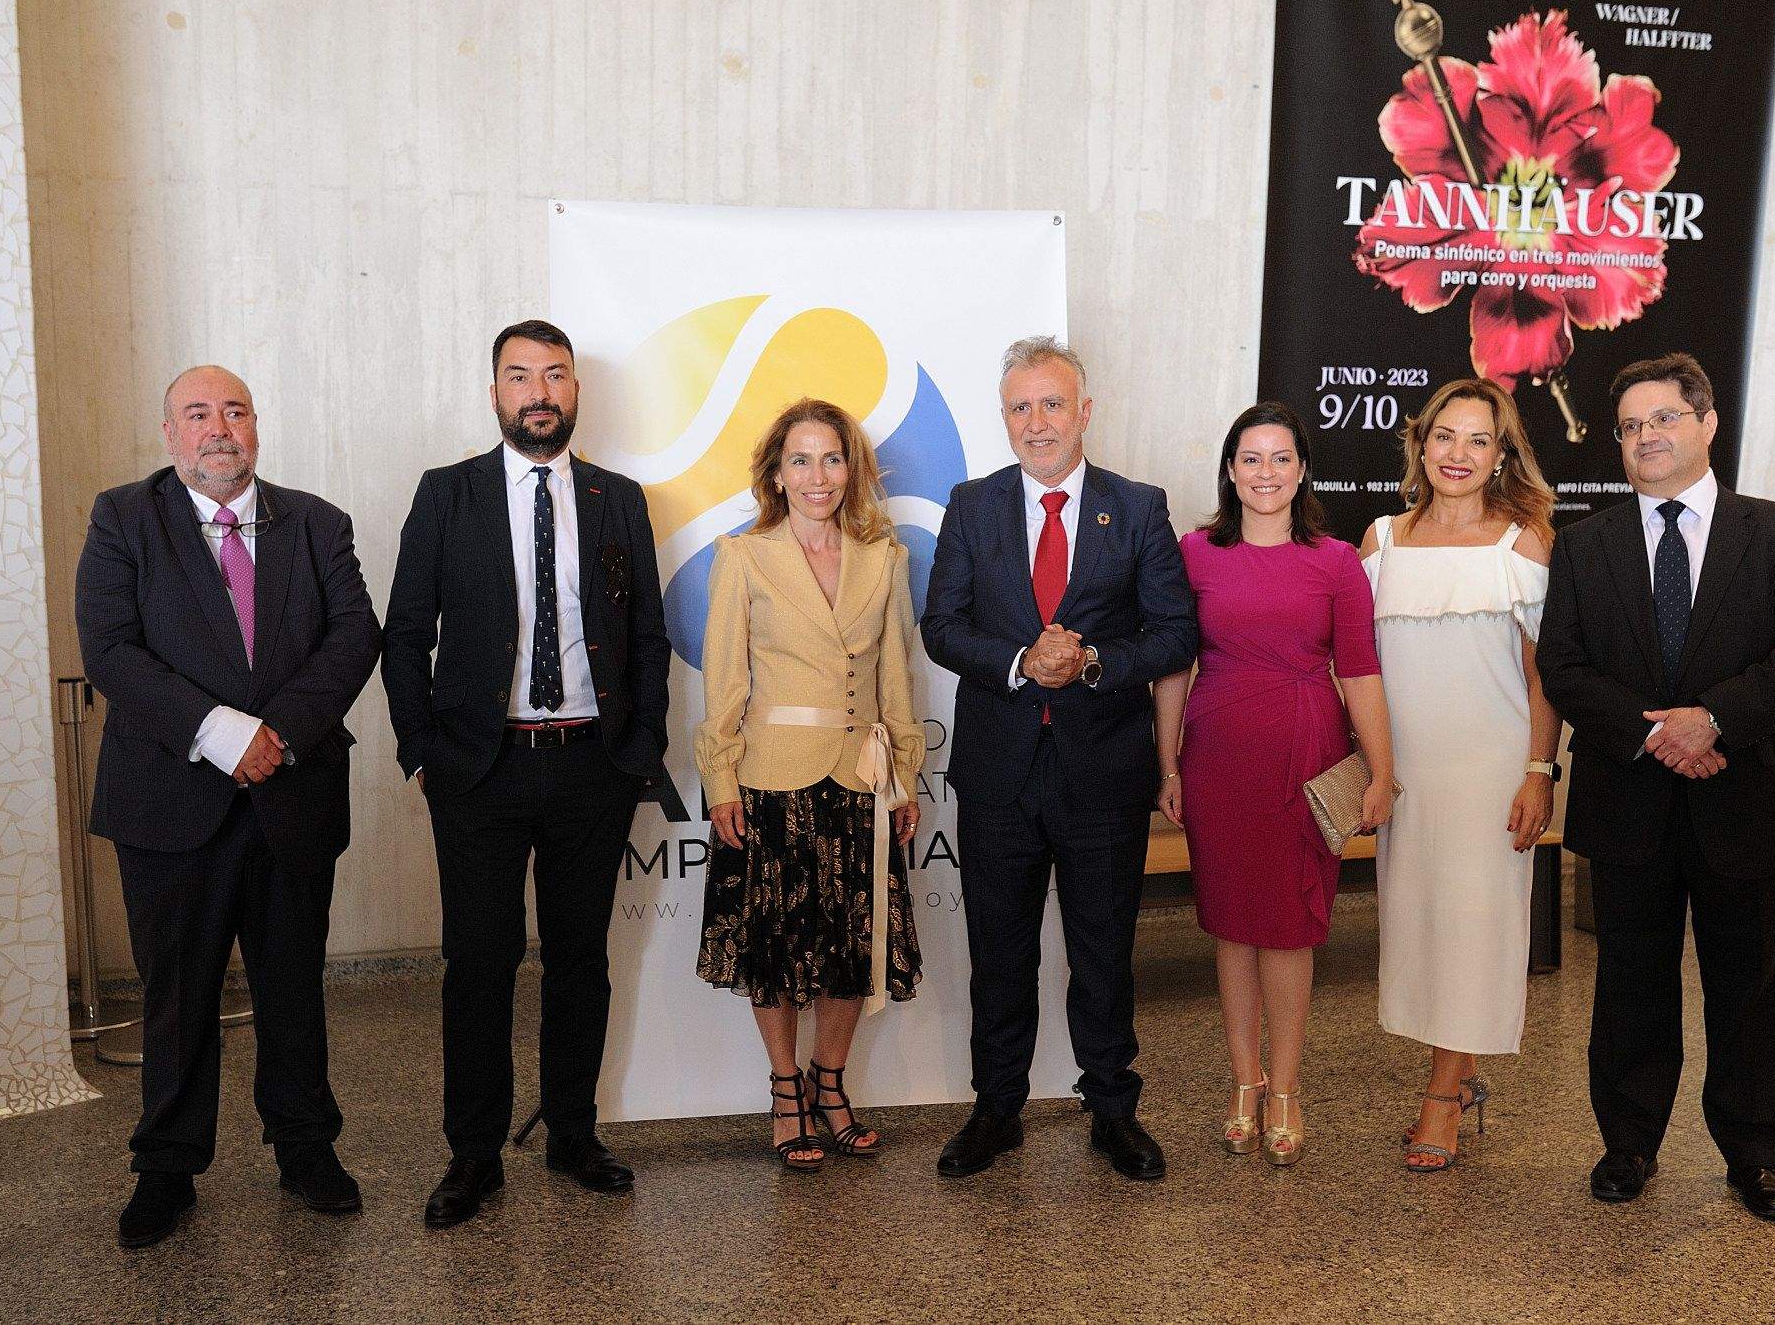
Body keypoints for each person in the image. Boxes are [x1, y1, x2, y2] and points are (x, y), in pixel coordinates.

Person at [75, 366, 381, 1248]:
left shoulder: (317, 522)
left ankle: (305, 1148)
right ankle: (167, 1166)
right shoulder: (123, 517)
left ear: (258, 427)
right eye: (198, 414)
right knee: (177, 991)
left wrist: (274, 733)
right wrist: (220, 732)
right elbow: (112, 649)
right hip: (170, 799)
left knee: (294, 985)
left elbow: (353, 633)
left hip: (292, 790)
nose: (220, 429)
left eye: (236, 411)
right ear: (169, 432)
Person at [382, 319, 671, 1227]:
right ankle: (473, 1154)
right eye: (520, 376)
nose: (538, 391)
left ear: (576, 392)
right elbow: (403, 634)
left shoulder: (619, 498)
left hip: (593, 765)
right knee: (477, 962)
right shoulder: (447, 494)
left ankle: (573, 1134)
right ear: (494, 393)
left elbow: (648, 637)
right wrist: (422, 750)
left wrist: (639, 751)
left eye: (555, 375)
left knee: (581, 959)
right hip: (480, 769)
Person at [1537, 352, 1775, 1221]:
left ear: (1707, 423)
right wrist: (1660, 734)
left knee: (1752, 983)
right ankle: (1628, 1143)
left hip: (1749, 796)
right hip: (1632, 799)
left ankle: (1755, 1156)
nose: (1645, 437)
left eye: (1663, 418)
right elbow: (1565, 665)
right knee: (1631, 979)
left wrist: (1714, 720)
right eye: (1630, 426)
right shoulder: (1585, 543)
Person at [921, 337, 1197, 1182]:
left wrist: (1093, 663)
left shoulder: (1140, 506)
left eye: (1051, 405)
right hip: (1001, 770)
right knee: (998, 950)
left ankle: (1112, 1109)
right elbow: (942, 626)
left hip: (1103, 770)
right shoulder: (971, 506)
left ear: (1085, 411)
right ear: (1003, 418)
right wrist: (1018, 663)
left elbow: (1175, 632)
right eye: (1019, 407)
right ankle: (996, 1109)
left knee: (1103, 949)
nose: (1036, 423)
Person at [1155, 401, 1393, 1168]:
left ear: (1302, 470)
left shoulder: (1334, 562)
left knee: (1290, 925)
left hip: (1306, 754)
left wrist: (1382, 771)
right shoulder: (1193, 553)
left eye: (1280, 458)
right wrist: (1167, 763)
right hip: (1218, 754)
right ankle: (1243, 1083)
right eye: (1250, 458)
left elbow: (1359, 670)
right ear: (1230, 469)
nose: (1265, 472)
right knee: (1232, 922)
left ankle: (1286, 1086)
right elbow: (1173, 667)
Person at [693, 398, 924, 1170]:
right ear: (777, 473)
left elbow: (898, 674)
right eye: (801, 459)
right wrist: (720, 775)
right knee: (777, 948)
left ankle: (832, 1082)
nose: (817, 475)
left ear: (850, 469)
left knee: (852, 947)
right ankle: (786, 1088)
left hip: (862, 777)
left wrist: (907, 779)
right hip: (769, 779)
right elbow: (724, 680)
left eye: (832, 458)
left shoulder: (883, 556)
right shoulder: (744, 556)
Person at [1356, 379, 1558, 1172]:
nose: (1459, 454)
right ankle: (1461, 1066)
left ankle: (1441, 1095)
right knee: (1422, 922)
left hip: (1491, 767)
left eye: (1478, 440)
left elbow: (1546, 676)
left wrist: (1539, 771)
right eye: (1446, 436)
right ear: (1421, 442)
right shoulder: (1380, 541)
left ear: (1502, 453)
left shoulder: (1525, 542)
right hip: (1405, 772)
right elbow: (1357, 669)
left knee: (1475, 926)